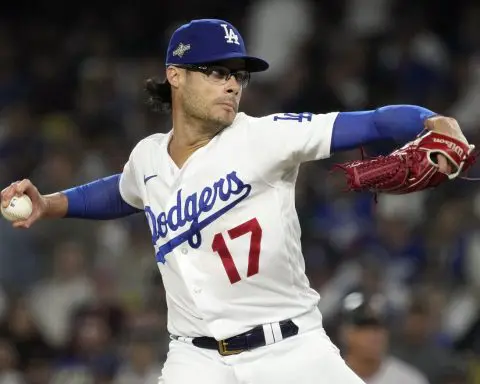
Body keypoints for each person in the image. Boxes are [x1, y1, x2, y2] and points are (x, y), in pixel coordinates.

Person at [0, 18, 470, 384]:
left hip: (291, 351)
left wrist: (432, 119)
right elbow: (123, 191)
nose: (232, 84)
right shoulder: (147, 156)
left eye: (237, 75)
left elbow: (372, 122)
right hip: (195, 359)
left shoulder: (265, 137)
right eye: (217, 72)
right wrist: (50, 203)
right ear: (175, 76)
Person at [339, 292, 429, 384]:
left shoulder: (410, 380)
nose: (373, 335)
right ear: (346, 333)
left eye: (379, 327)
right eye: (365, 327)